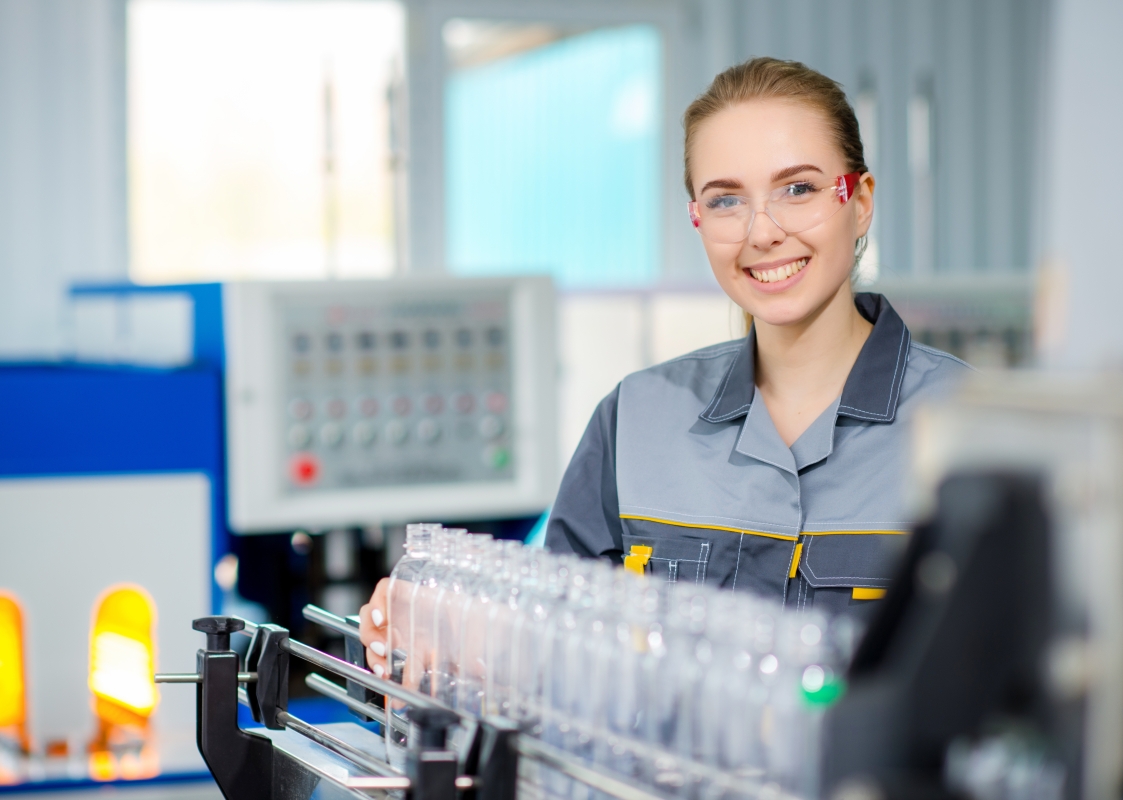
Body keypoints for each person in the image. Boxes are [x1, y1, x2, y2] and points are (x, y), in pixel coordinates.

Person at [358, 57, 971, 675]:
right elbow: (551, 645)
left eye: (798, 189)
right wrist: (445, 620)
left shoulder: (972, 431)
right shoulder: (636, 419)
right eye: (726, 200)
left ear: (859, 201)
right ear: (698, 219)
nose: (762, 232)